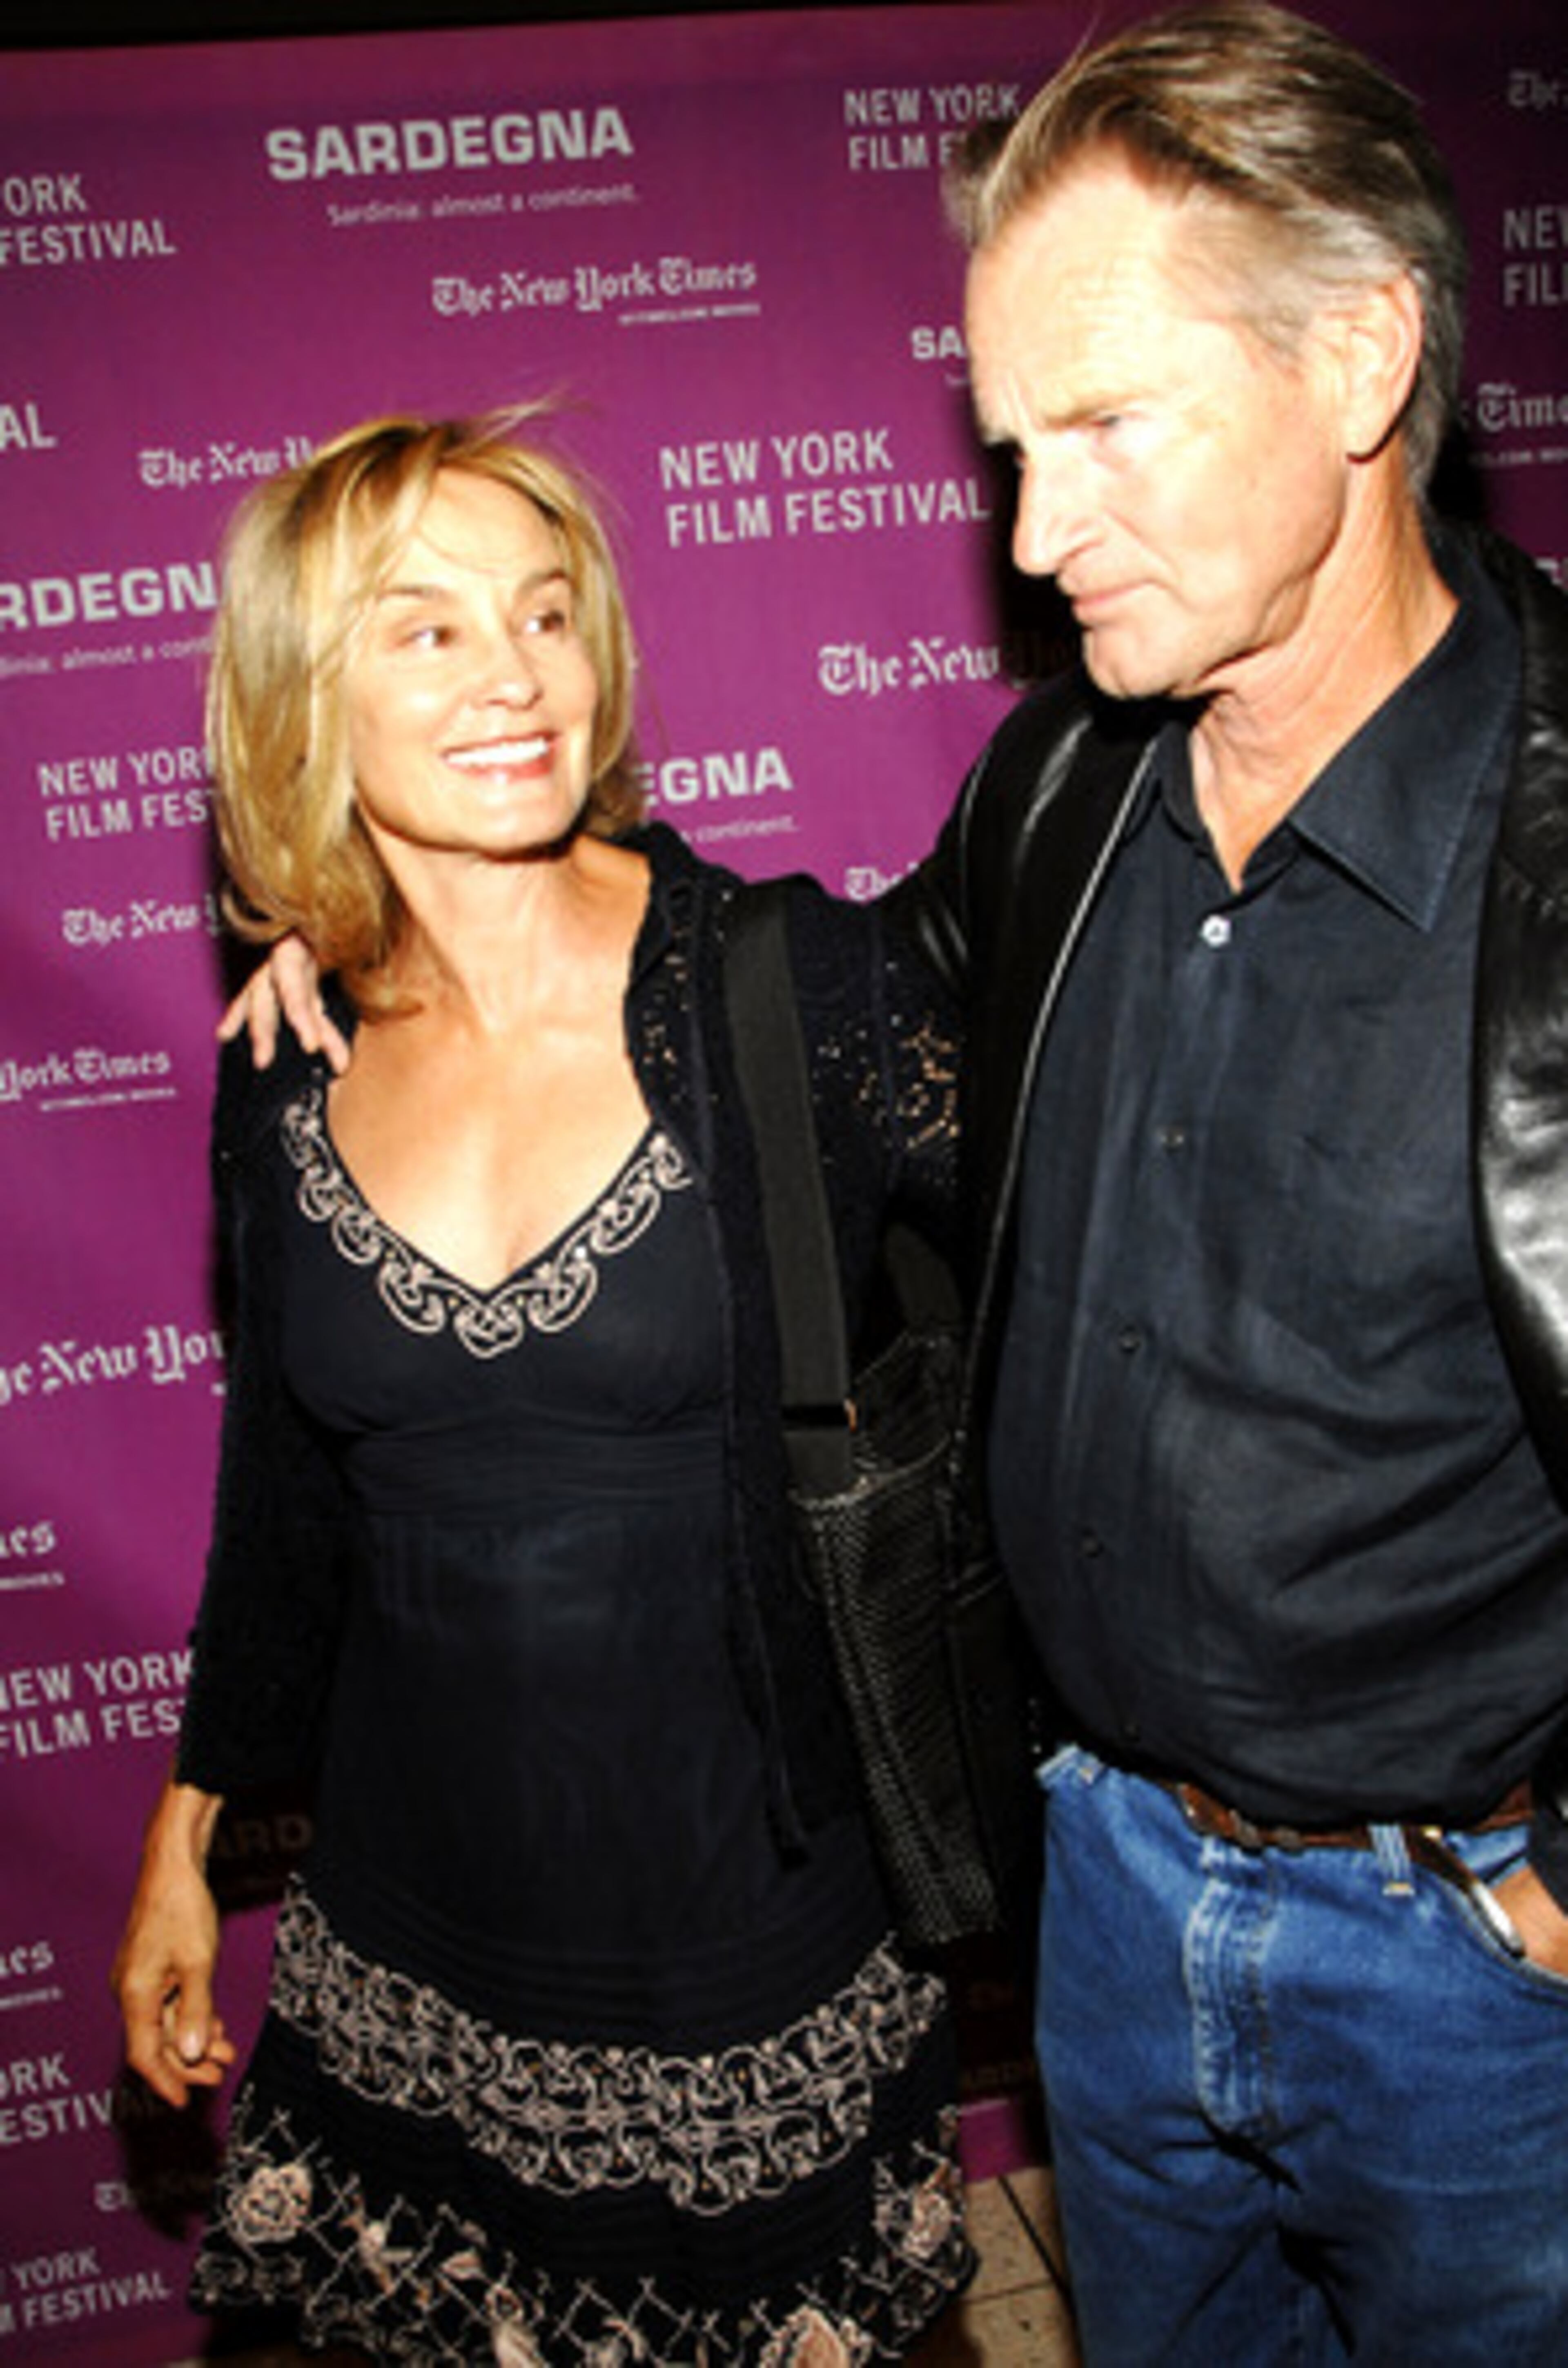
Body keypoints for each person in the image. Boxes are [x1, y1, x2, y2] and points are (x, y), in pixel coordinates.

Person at [111, 411, 975, 2364]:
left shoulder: (793, 988)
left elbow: (1085, 1303)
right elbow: (287, 1499)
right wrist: (184, 1841)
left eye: (548, 612)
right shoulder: (282, 1063)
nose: (513, 673)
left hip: (749, 1926)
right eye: (422, 632)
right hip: (409, 1931)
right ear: (300, 698)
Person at [887, 2, 1568, 2359]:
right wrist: (446, 927)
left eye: (1105, 428)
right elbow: (838, 1032)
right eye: (1005, 448)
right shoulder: (1062, 789)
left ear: (1364, 356)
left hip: (1483, 1972)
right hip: (1112, 1886)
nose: (1033, 530)